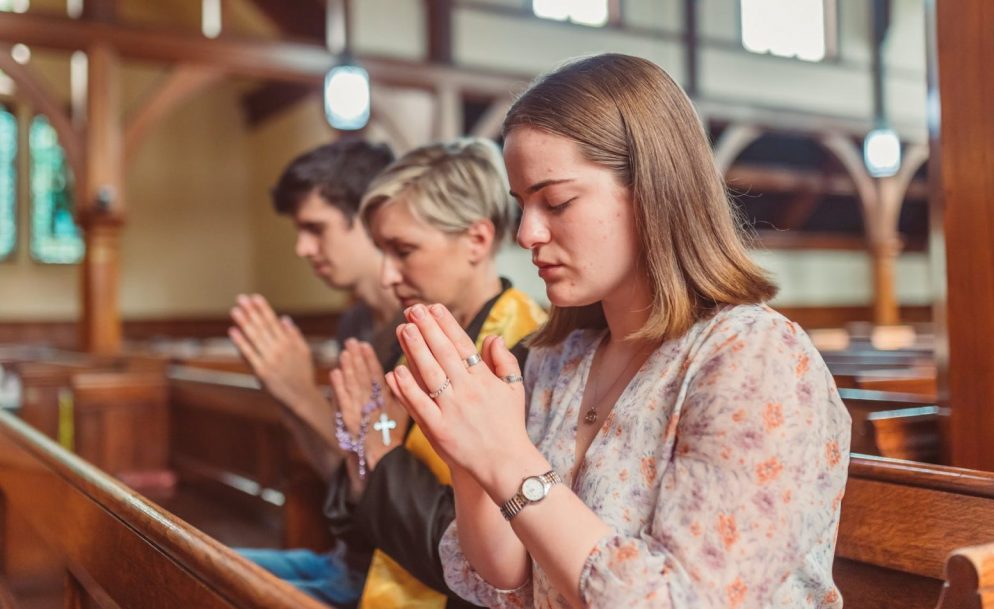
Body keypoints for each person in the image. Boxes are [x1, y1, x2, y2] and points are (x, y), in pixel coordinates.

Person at [385, 54, 853, 609]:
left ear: (654, 190)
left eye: (556, 201)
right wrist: (469, 457)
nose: (529, 233)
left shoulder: (753, 357)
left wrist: (507, 459)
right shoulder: (562, 357)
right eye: (523, 206)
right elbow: (507, 580)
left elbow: (684, 601)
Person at [323, 136, 547, 609]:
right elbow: (351, 517)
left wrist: (379, 457)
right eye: (382, 251)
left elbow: (484, 563)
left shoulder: (528, 351)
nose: (386, 275)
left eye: (403, 250)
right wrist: (359, 447)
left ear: (477, 239)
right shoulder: (405, 340)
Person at [228, 139, 398, 608]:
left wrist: (302, 393)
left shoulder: (419, 327)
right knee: (181, 561)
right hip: (341, 559)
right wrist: (284, 394)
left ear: (369, 219)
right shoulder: (356, 323)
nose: (302, 247)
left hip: (388, 580)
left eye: (315, 228)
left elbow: (383, 487)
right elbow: (339, 473)